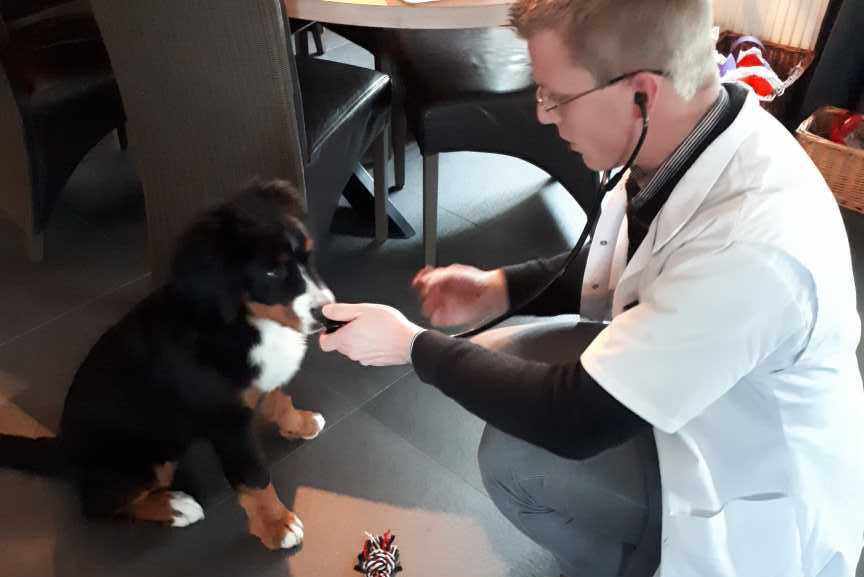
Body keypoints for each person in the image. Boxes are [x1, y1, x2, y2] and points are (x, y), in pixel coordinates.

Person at [318, 0, 864, 575]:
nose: (543, 114)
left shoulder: (751, 250)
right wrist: (499, 288)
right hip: (698, 400)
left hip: (748, 492)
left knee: (514, 461)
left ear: (642, 94)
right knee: (499, 357)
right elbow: (636, 261)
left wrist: (410, 346)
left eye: (556, 96)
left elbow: (573, 420)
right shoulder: (696, 137)